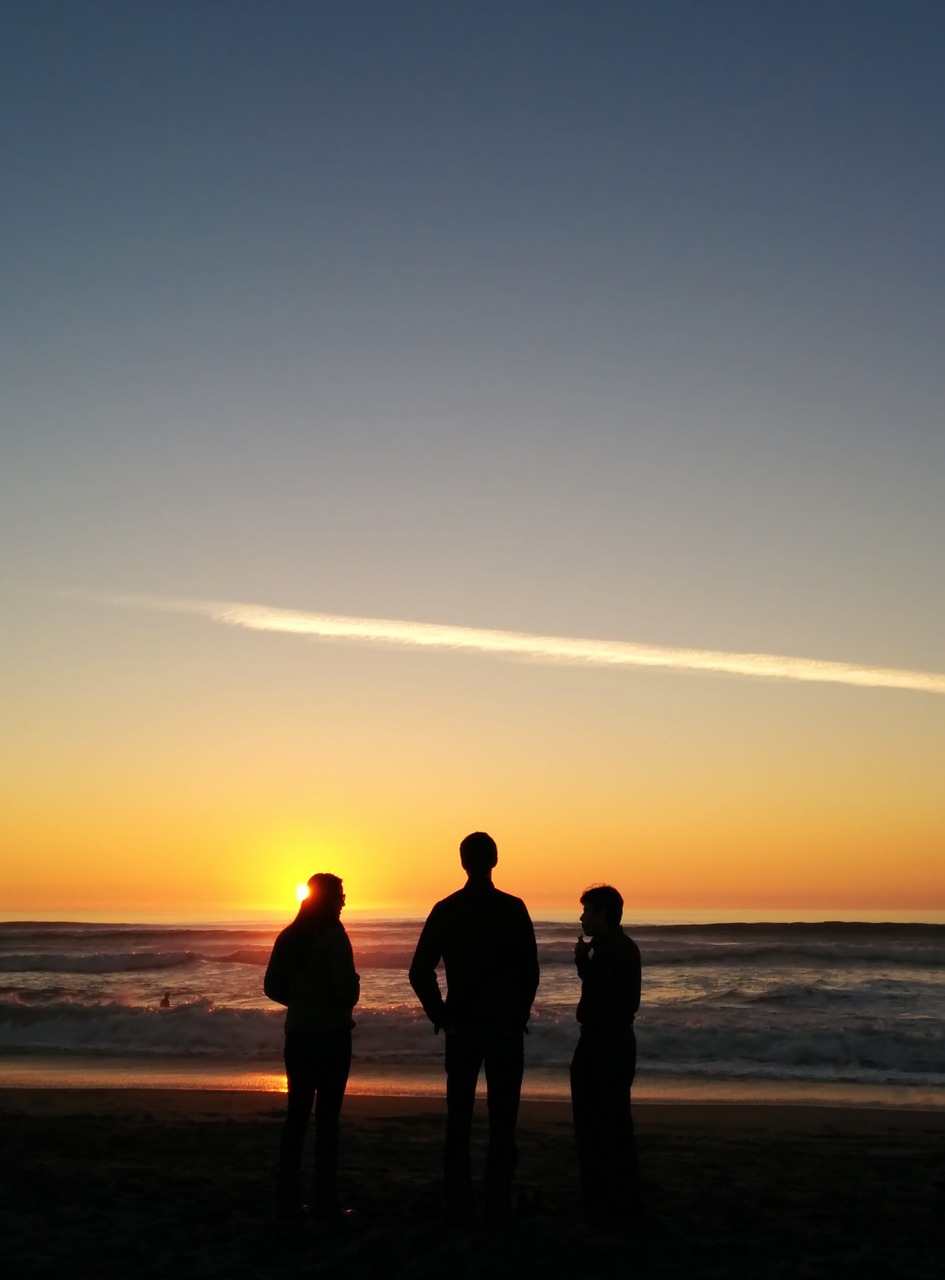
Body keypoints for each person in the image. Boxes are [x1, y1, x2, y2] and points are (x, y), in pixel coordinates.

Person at [409, 832, 539, 1227]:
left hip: (462, 1027)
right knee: (503, 1119)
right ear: (495, 860)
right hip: (503, 1029)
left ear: (463, 862)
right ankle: (497, 1202)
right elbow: (529, 972)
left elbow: (419, 971)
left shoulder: (447, 909)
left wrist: (441, 1015)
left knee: (459, 1118)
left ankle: (459, 1204)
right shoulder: (513, 908)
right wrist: (518, 1014)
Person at [264, 872, 360, 1220]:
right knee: (328, 1120)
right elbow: (346, 992)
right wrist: (340, 995)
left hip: (299, 1036)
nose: (343, 903)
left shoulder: (289, 936)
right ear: (329, 899)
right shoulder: (334, 938)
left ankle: (287, 1198)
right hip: (332, 1036)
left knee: (297, 1117)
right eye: (340, 897)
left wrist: (302, 1002)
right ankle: (326, 1201)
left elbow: (271, 986)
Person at [570, 883, 642, 1232]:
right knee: (615, 1122)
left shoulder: (611, 952)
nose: (582, 916)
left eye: (587, 910)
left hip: (601, 1044)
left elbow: (601, 1002)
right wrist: (585, 963)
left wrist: (586, 965)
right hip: (618, 1042)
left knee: (594, 1125)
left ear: (603, 914)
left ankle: (602, 1204)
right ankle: (623, 1199)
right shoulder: (621, 948)